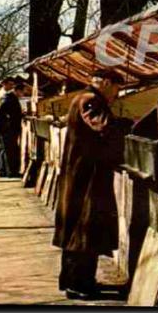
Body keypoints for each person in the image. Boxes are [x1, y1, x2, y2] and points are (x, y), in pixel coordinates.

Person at [53, 70, 131, 300]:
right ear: (106, 83)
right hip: (86, 177)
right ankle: (80, 285)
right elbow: (103, 126)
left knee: (79, 232)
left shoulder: (84, 98)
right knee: (84, 231)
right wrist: (129, 124)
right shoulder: (90, 100)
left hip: (81, 175)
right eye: (117, 88)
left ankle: (74, 282)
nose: (117, 95)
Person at [0, 79, 25, 178]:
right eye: (22, 92)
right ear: (18, 91)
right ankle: (11, 172)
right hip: (9, 128)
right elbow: (4, 114)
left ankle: (3, 170)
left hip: (7, 128)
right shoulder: (9, 99)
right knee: (10, 150)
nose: (23, 94)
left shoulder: (9, 98)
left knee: (6, 150)